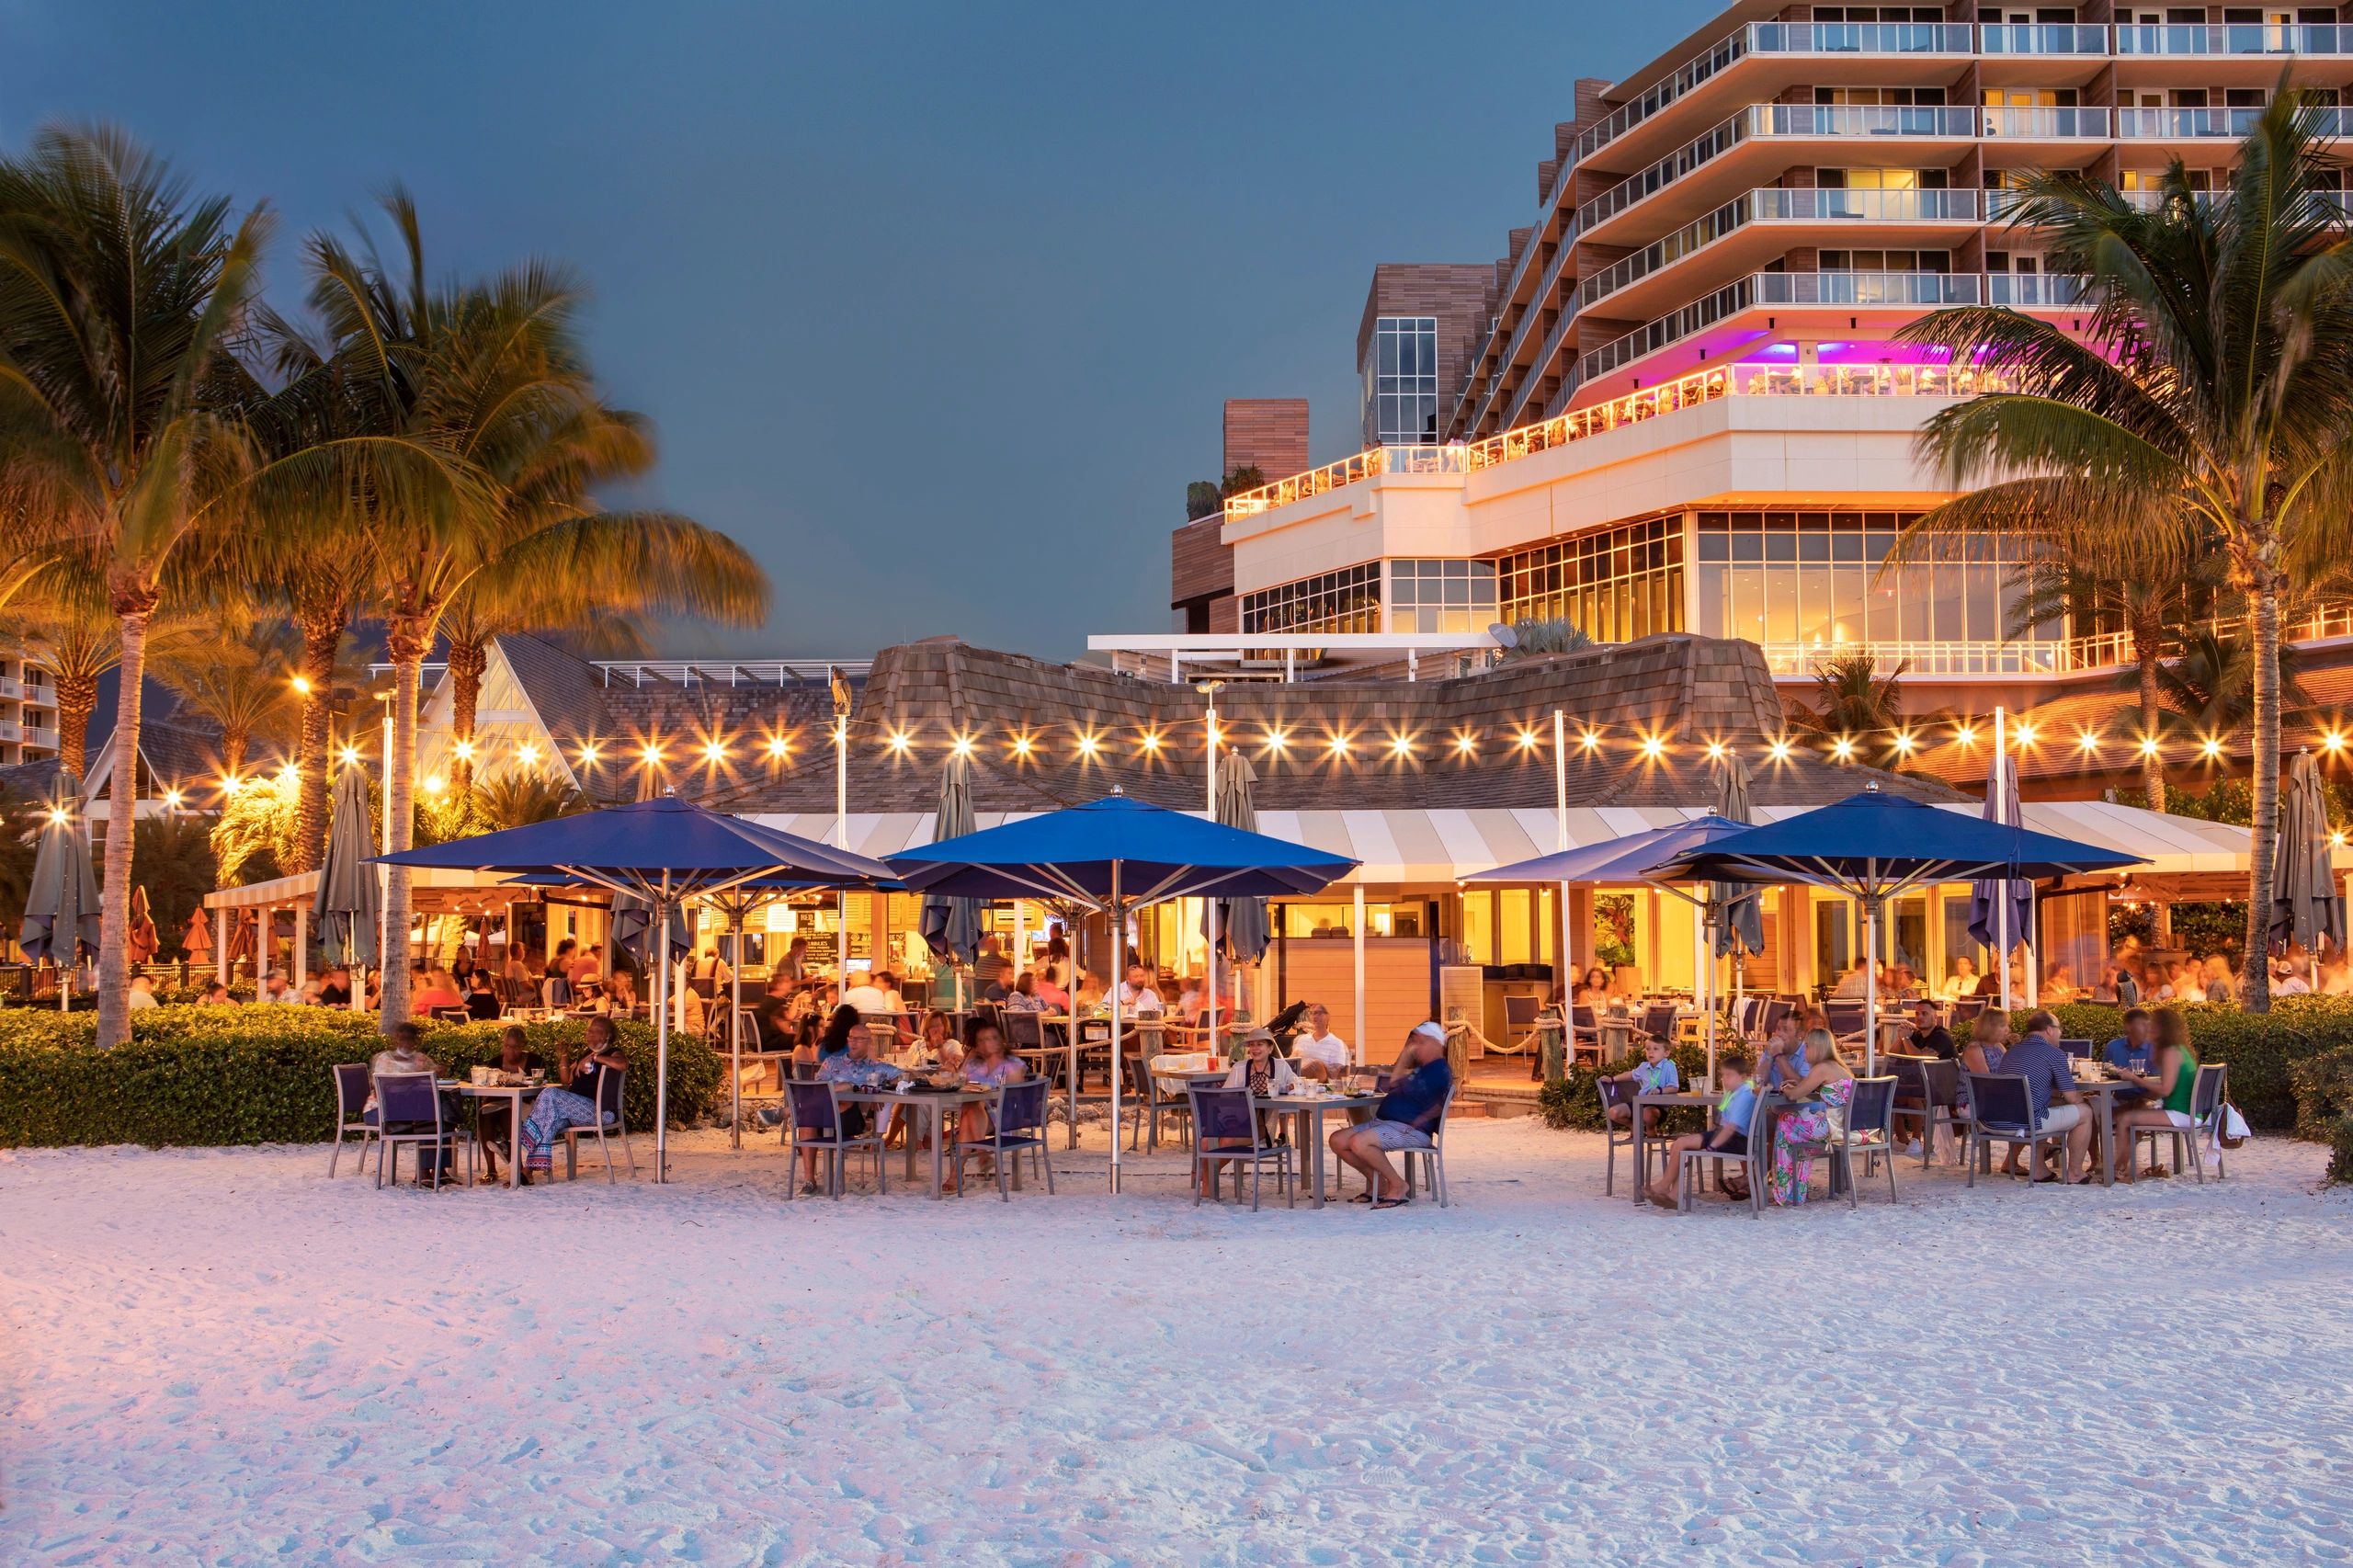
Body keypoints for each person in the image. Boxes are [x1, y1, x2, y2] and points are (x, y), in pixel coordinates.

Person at [1327, 1022, 1453, 1210]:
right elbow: (1395, 1083)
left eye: (1420, 1043)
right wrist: (1406, 1055)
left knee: (1359, 1142)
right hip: (1386, 1124)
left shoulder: (1439, 1070)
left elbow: (1436, 1102)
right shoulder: (1423, 1069)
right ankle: (1378, 1184)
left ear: (1435, 1043)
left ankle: (1398, 1184)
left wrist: (1422, 1119)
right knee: (1337, 1140)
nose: (1416, 1048)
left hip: (1410, 1130)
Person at [515, 1016, 630, 1184]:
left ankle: (521, 1141)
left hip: (601, 1112)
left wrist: (596, 1058)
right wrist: (564, 1056)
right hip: (575, 1112)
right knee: (550, 1122)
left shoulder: (613, 1053)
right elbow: (566, 1079)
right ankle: (527, 1173)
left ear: (606, 1036)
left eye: (595, 1031)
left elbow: (622, 1064)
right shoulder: (585, 1054)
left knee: (550, 1094)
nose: (589, 1035)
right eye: (588, 1031)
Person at [1643, 1055, 1757, 1209]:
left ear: (1743, 1077)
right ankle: (1674, 1194)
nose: (1724, 1079)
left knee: (1681, 1144)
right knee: (1679, 1146)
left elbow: (1731, 1128)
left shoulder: (1744, 1095)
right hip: (1729, 1137)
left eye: (1729, 1075)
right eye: (1723, 1075)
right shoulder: (1737, 1092)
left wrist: (1713, 1144)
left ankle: (1664, 1186)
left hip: (1734, 1140)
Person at [803, 1022, 904, 1194]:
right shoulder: (832, 1062)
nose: (854, 1042)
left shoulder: (877, 1068)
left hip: (850, 1119)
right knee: (808, 1119)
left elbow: (902, 1077)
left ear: (869, 1042)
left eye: (859, 1039)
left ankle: (787, 1112)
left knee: (846, 1090)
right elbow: (818, 1089)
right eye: (851, 1038)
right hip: (823, 1115)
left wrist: (879, 1090)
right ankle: (809, 1180)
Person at [1762, 1027, 1857, 1207]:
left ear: (1816, 1047)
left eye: (1807, 1046)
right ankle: (1794, 1192)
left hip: (1830, 1129)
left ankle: (1786, 1194)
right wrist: (1798, 1085)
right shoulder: (1838, 1067)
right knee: (1796, 1136)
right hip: (1843, 1126)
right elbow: (1810, 1086)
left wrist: (1786, 1088)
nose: (1805, 1049)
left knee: (1785, 1122)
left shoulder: (1822, 1067)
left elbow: (1793, 1095)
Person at [1996, 1009, 2094, 1183]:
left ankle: (2039, 1170)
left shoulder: (2011, 1052)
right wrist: (2086, 1100)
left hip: (1998, 1120)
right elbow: (2071, 1098)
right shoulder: (2054, 1054)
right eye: (2059, 1028)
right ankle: (2075, 1173)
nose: (2060, 1032)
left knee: (2044, 1105)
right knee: (2085, 1112)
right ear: (2049, 1030)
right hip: (2028, 1122)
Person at [2108, 1006, 2202, 1182]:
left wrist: (2134, 1078)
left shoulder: (2170, 1052)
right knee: (2130, 1111)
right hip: (2188, 1111)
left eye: (2153, 1023)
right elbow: (2168, 1085)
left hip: (2181, 1113)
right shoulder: (2180, 1049)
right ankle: (2120, 1166)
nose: (2149, 1027)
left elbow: (2165, 1089)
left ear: (2162, 1027)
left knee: (2124, 1119)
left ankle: (2117, 1169)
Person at [367, 1022, 456, 1184]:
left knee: (437, 1116)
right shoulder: (384, 1059)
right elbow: (381, 1088)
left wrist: (439, 1071)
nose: (406, 1043)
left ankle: (439, 1169)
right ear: (396, 1040)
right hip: (382, 1110)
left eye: (410, 1039)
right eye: (403, 1039)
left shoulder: (421, 1059)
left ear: (416, 1041)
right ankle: (423, 1171)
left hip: (412, 1108)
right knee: (427, 1116)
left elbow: (433, 1077)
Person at [474, 1025, 549, 1184]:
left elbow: (539, 1086)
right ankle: (491, 1169)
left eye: (515, 1047)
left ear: (523, 1047)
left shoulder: (535, 1061)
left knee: (509, 1113)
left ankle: (518, 1170)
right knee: (484, 1113)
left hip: (524, 1104)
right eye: (507, 1046)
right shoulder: (495, 1062)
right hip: (498, 1101)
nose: (510, 1051)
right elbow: (489, 1087)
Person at [1605, 1034, 1679, 1136]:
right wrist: (1612, 1079)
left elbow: (1674, 1087)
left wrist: (1659, 1090)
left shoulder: (1669, 1066)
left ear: (1666, 1053)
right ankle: (1633, 1126)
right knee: (1613, 1112)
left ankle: (1651, 1128)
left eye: (1656, 1049)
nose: (1651, 1052)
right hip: (1640, 1103)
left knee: (1647, 1113)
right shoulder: (1644, 1066)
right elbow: (1630, 1075)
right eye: (1648, 1049)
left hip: (1658, 1106)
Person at [1289, 1003, 1349, 1081]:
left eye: (1318, 1013)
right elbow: (1291, 1063)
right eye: (1312, 1013)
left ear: (1327, 1017)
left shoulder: (1336, 1043)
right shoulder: (1301, 1039)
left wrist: (1318, 1066)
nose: (1315, 1016)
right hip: (1297, 1083)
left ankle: (1295, 1079)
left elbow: (1334, 1075)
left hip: (1322, 1083)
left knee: (1316, 1065)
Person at [2102, 1006, 2156, 1077]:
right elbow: (2105, 1074)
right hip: (2116, 1088)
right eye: (2142, 1025)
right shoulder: (2113, 1047)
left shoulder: (2154, 1048)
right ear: (2128, 1026)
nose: (2147, 1029)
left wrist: (2133, 1078)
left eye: (2148, 1025)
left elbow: (2159, 1081)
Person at [1900, 997, 1956, 1061]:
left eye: (1924, 1013)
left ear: (1935, 1017)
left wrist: (1906, 1038)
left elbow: (1920, 1058)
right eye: (1917, 1014)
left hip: (1944, 1070)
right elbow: (1892, 1058)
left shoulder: (1942, 1036)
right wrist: (1901, 1036)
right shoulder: (1917, 1035)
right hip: (1923, 1070)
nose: (1919, 1017)